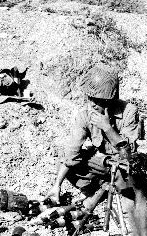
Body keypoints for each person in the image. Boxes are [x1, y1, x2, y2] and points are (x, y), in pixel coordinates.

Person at [44, 64, 140, 207]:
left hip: (122, 167)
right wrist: (57, 185)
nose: (92, 105)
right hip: (102, 164)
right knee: (63, 163)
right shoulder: (84, 116)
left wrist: (107, 128)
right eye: (90, 98)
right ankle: (98, 188)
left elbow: (128, 154)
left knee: (131, 191)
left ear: (110, 100)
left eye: (98, 100)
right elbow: (71, 154)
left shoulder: (129, 112)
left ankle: (111, 190)